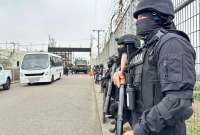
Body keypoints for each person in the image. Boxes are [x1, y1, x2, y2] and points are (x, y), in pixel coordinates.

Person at [113, 0, 196, 135]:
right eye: (137, 18)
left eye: (142, 17)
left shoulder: (173, 44)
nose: (138, 22)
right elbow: (144, 83)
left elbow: (178, 101)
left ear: (157, 15)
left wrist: (140, 130)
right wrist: (122, 75)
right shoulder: (147, 48)